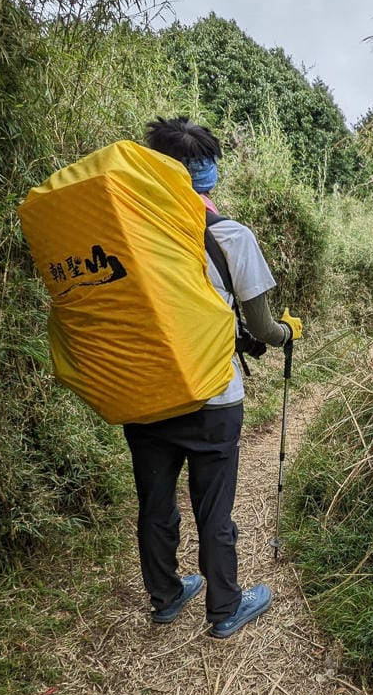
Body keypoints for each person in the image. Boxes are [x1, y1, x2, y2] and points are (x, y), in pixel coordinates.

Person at [124, 116, 303, 636]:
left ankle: (165, 596)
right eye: (207, 160)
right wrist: (287, 332)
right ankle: (224, 607)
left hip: (146, 393)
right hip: (212, 397)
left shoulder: (129, 236)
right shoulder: (229, 236)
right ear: (201, 172)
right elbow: (264, 327)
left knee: (155, 503)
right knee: (214, 507)